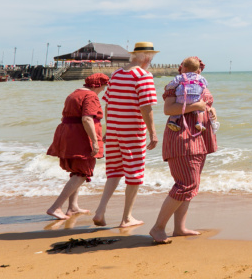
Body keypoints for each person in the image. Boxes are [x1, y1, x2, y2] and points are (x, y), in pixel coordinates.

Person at [149, 56, 218, 244]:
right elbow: (169, 109)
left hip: (199, 138)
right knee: (185, 184)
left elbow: (206, 105)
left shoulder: (200, 84)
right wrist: (197, 106)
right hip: (182, 137)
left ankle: (179, 228)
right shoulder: (176, 86)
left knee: (191, 185)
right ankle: (158, 228)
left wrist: (210, 111)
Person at [93, 42, 159, 227]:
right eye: (151, 57)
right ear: (146, 57)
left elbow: (107, 103)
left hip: (114, 129)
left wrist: (108, 129)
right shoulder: (143, 76)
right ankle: (126, 218)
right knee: (134, 173)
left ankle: (100, 211)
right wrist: (152, 132)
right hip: (132, 131)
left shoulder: (116, 74)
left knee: (114, 171)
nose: (151, 61)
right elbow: (146, 107)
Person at [45, 73, 109, 219]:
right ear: (97, 85)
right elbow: (87, 119)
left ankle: (72, 207)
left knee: (76, 171)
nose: (104, 90)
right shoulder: (91, 96)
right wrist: (94, 141)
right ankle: (55, 207)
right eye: (104, 86)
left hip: (68, 135)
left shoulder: (74, 94)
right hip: (80, 137)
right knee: (82, 172)